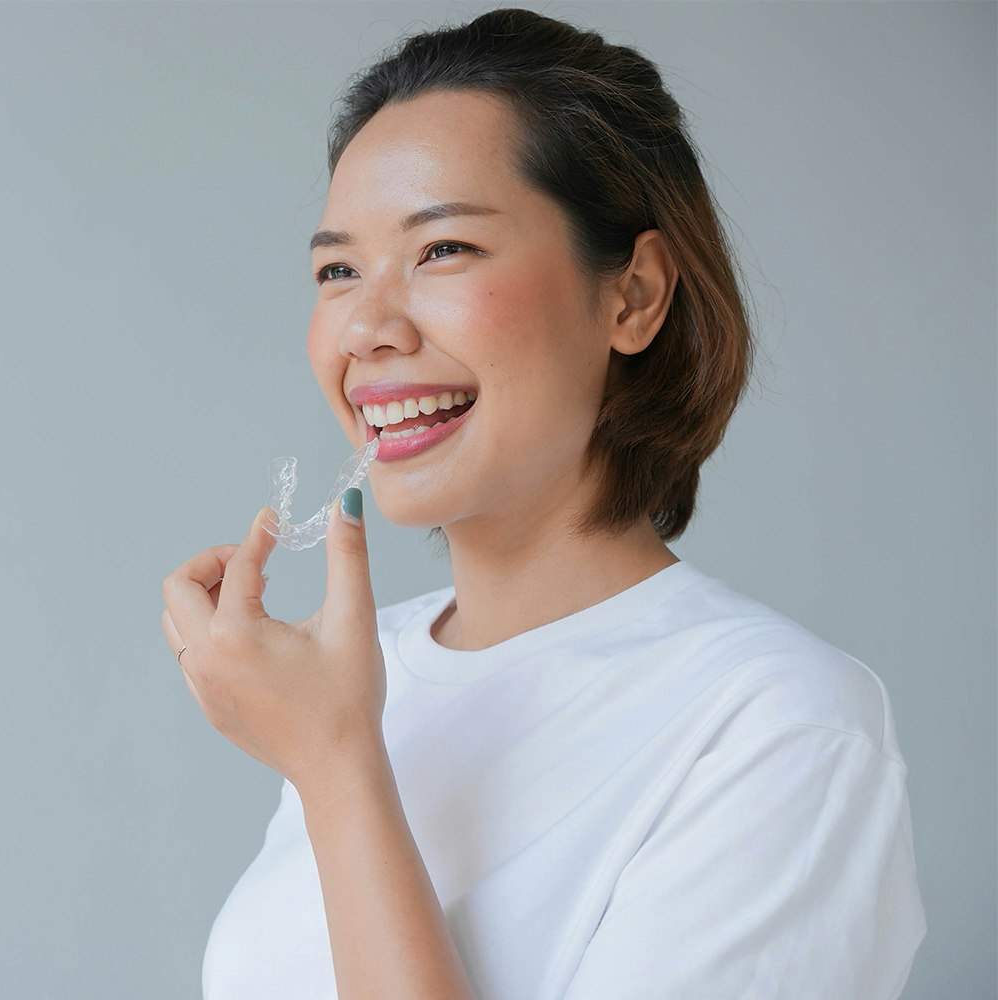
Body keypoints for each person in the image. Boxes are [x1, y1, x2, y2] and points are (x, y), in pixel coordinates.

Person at [161, 8, 927, 998]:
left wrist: (339, 767)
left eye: (443, 251)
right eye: (338, 270)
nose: (368, 327)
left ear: (634, 295)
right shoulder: (357, 673)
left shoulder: (777, 727)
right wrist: (329, 738)